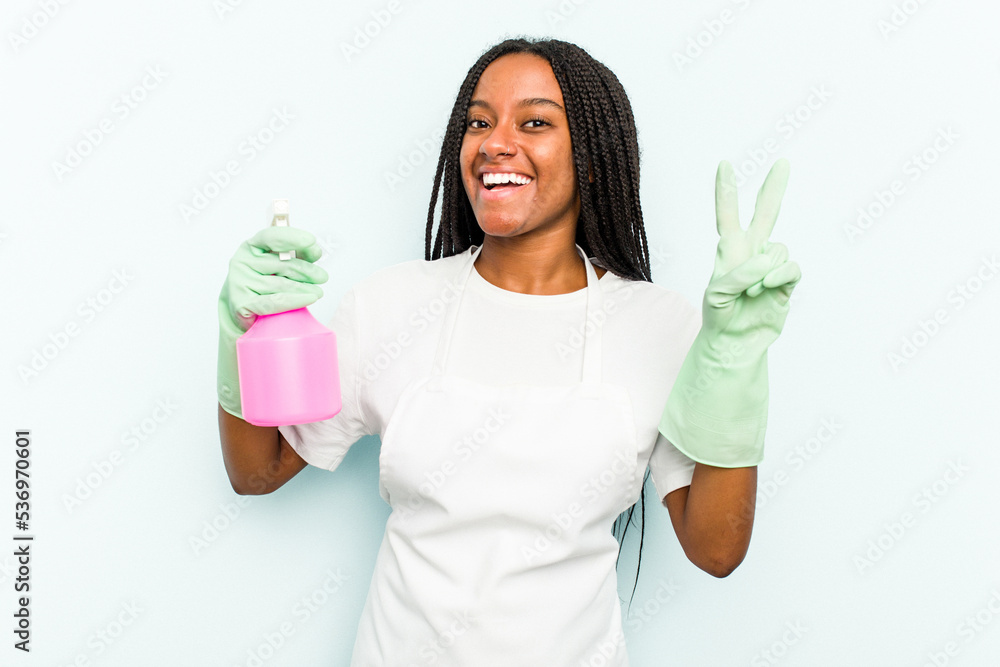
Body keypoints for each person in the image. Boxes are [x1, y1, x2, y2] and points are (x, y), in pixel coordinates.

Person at [216, 36, 800, 666]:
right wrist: (239, 333)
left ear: (594, 158)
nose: (495, 142)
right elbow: (258, 471)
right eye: (478, 122)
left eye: (535, 122)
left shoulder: (659, 326)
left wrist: (734, 362)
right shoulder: (389, 305)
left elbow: (715, 550)